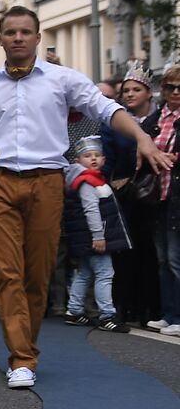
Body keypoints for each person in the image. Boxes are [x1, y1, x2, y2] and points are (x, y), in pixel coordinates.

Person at [0, 6, 169, 388]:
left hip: (47, 182)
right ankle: (21, 358)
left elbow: (105, 108)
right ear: (0, 39)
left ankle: (27, 350)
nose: (18, 37)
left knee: (37, 274)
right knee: (7, 273)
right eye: (10, 32)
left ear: (37, 38)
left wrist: (141, 136)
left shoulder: (62, 79)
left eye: (25, 32)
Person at [105, 61, 158, 328]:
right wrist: (111, 181)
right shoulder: (116, 122)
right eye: (125, 90)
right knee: (124, 253)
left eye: (136, 89)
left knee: (150, 253)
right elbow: (106, 157)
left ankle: (150, 308)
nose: (129, 94)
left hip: (153, 195)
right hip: (122, 195)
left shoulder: (161, 121)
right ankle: (123, 307)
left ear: (148, 92)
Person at [61, 136, 130, 332]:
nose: (93, 159)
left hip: (84, 238)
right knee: (105, 273)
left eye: (97, 155)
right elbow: (91, 210)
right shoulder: (88, 182)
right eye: (87, 156)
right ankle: (107, 314)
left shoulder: (86, 179)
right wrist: (98, 236)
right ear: (78, 161)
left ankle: (74, 311)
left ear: (104, 159)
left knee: (84, 273)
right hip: (93, 238)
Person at [141, 65, 180, 335]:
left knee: (176, 259)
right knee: (163, 259)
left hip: (177, 196)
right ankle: (168, 314)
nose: (175, 92)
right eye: (170, 87)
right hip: (158, 195)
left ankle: (178, 316)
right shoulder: (154, 119)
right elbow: (141, 151)